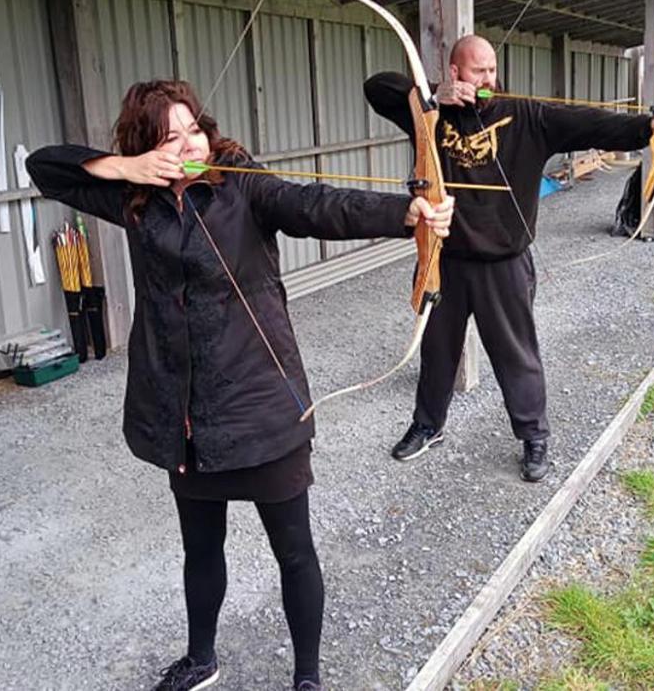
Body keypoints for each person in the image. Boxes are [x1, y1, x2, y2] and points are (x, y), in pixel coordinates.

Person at [26, 79, 454, 691]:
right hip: (186, 420)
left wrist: (407, 213)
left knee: (295, 552)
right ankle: (203, 659)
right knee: (201, 550)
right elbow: (45, 168)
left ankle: (307, 677)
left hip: (260, 408)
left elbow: (315, 206)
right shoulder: (134, 198)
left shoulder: (243, 185)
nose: (188, 143)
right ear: (146, 147)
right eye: (169, 137)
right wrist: (130, 167)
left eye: (193, 128)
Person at [364, 35, 654, 482]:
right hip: (445, 258)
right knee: (437, 351)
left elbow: (591, 124)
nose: (489, 79)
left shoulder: (527, 116)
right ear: (456, 72)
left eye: (493, 70)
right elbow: (377, 88)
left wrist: (650, 125)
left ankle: (534, 436)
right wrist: (433, 96)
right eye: (479, 71)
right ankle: (427, 425)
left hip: (505, 262)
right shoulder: (428, 115)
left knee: (517, 355)